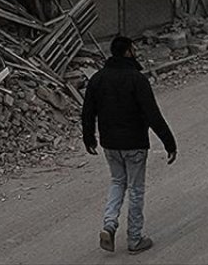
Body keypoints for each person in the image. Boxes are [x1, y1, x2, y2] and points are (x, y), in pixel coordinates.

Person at [81, 35, 177, 254]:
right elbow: (152, 114)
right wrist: (169, 143)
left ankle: (109, 224)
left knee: (117, 182)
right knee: (135, 190)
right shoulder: (137, 79)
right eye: (133, 49)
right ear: (127, 52)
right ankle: (134, 239)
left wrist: (89, 138)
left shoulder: (98, 79)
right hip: (135, 144)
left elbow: (87, 112)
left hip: (110, 144)